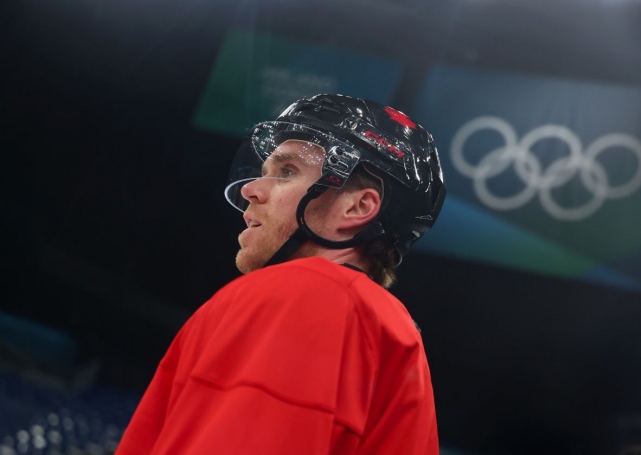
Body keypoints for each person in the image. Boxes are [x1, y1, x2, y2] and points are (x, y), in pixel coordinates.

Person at [116, 94, 446, 454]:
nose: (250, 189)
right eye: (265, 172)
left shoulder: (308, 295)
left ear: (357, 207)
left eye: (287, 171)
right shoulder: (396, 336)